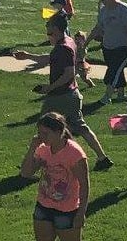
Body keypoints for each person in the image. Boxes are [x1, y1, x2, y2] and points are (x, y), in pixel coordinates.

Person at [21, 112, 90, 241]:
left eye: (45, 134)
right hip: (43, 207)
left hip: (67, 211)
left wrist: (81, 213)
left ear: (59, 132)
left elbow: (85, 184)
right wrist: (32, 148)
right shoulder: (42, 148)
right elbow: (26, 173)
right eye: (39, 133)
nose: (41, 137)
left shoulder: (74, 154)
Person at [40, 12, 115, 168]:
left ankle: (37, 162)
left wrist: (49, 88)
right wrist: (28, 56)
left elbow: (68, 73)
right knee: (79, 128)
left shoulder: (63, 47)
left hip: (61, 96)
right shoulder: (68, 41)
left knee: (44, 128)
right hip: (71, 93)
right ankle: (102, 158)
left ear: (57, 29)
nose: (48, 33)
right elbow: (51, 59)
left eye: (49, 29)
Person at [88, 0, 127, 102]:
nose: (101, 1)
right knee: (116, 70)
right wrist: (86, 43)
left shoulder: (124, 10)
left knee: (113, 71)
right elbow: (98, 28)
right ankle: (120, 95)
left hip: (123, 46)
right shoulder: (103, 11)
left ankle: (107, 96)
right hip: (108, 47)